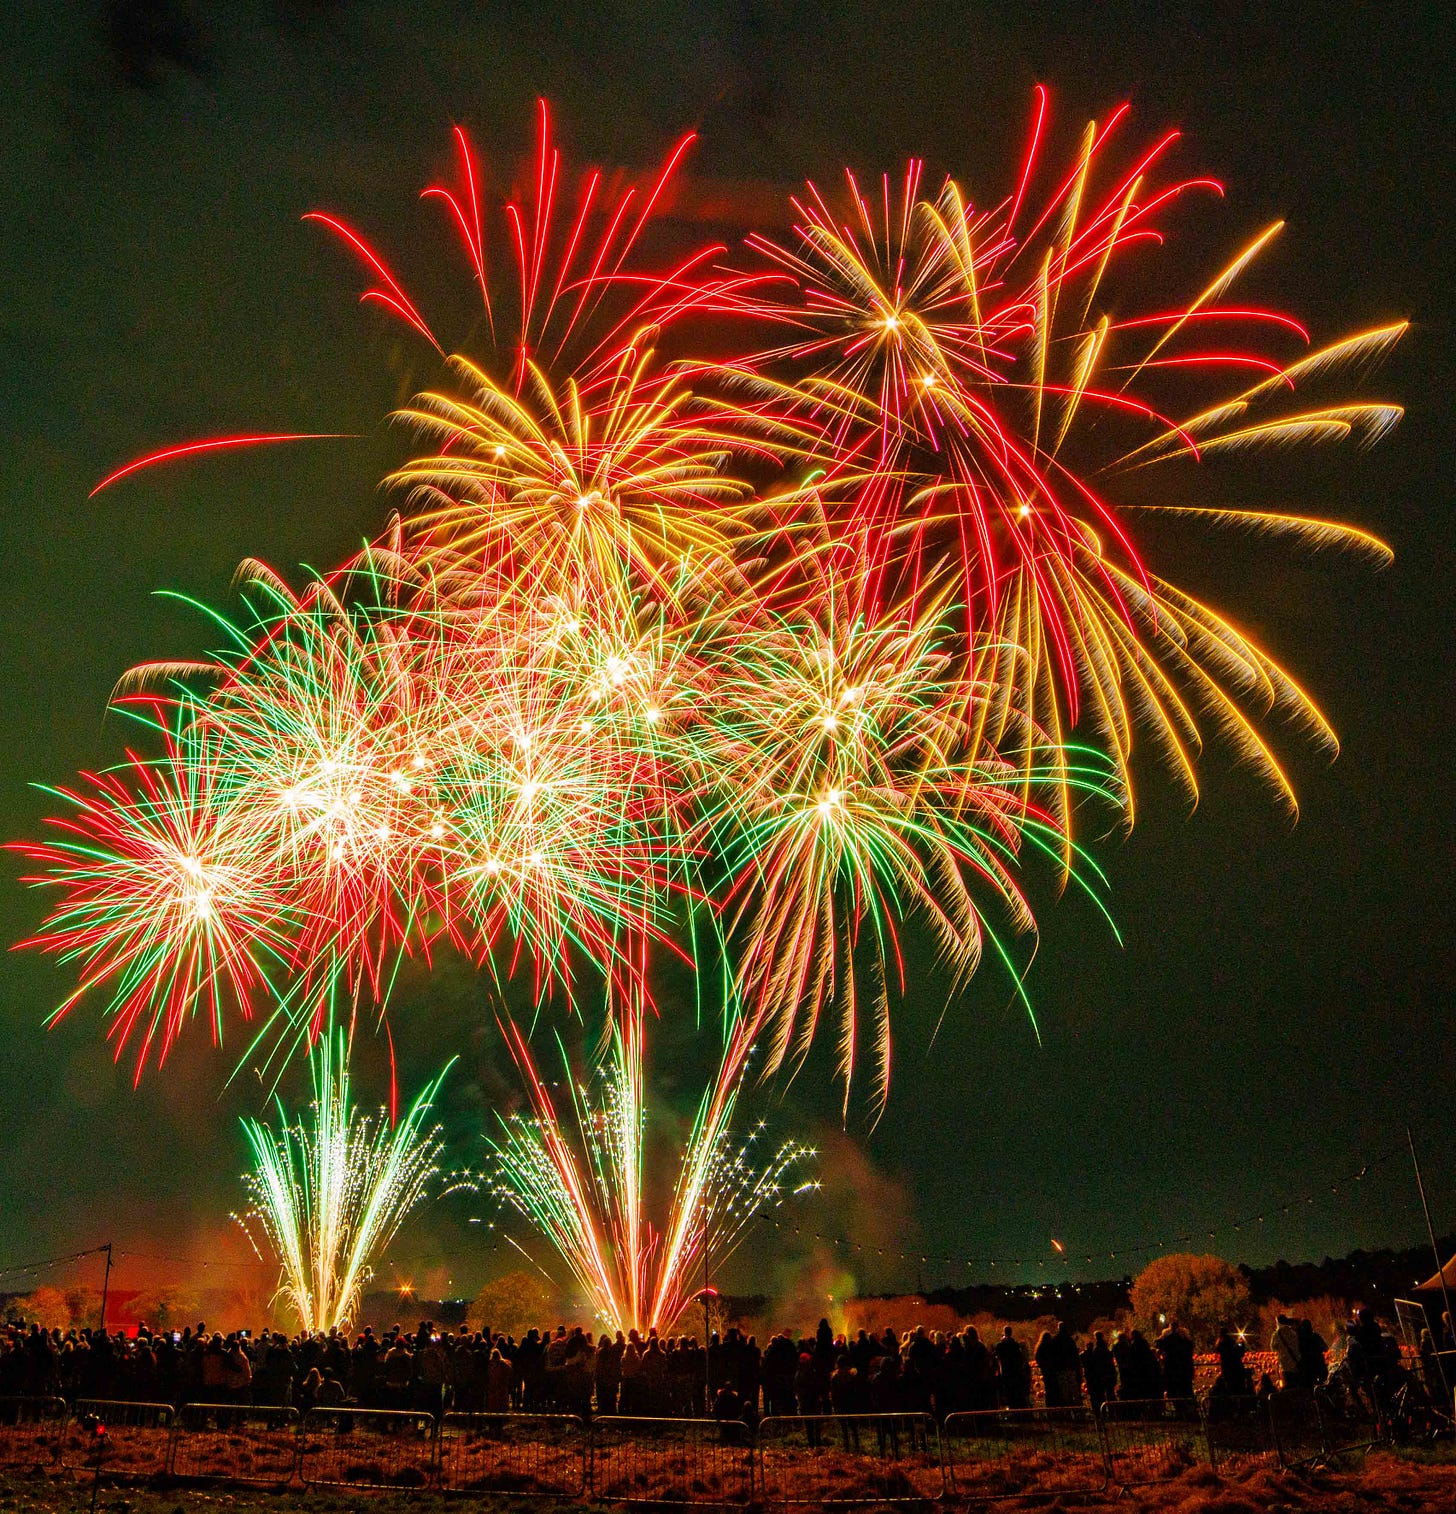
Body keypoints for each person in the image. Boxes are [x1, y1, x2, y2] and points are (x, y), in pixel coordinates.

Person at [1270, 1314, 1302, 1389]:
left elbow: (1273, 1347)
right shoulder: (1292, 1332)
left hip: (1285, 1365)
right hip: (1296, 1363)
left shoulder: (1276, 1335)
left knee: (1289, 1386)